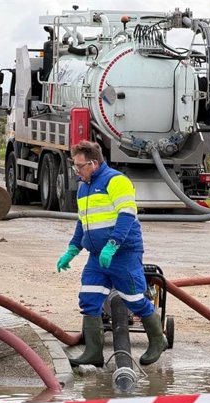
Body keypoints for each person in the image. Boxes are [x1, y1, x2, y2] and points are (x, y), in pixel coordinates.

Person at [56, 140, 167, 367]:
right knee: (89, 298)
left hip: (122, 254)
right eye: (74, 165)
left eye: (80, 166)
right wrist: (72, 249)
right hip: (97, 256)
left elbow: (126, 215)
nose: (76, 171)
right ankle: (94, 353)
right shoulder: (84, 186)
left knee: (135, 299)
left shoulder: (116, 181)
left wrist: (113, 245)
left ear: (94, 163)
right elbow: (83, 222)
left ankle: (158, 340)